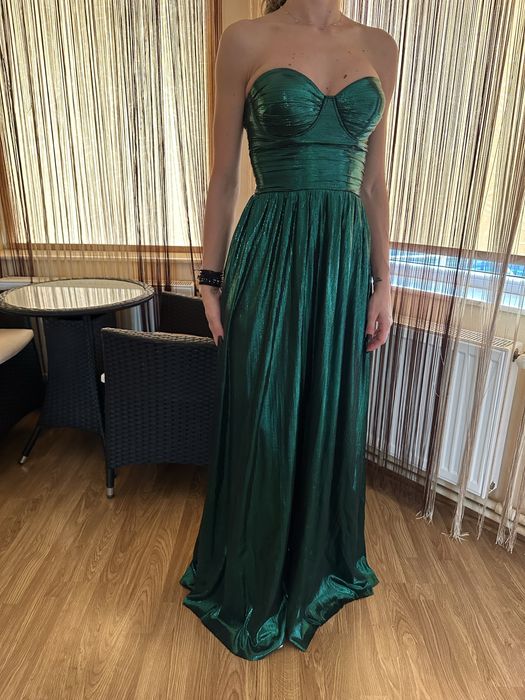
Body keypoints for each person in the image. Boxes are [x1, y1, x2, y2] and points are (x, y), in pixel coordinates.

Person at [179, 0, 397, 660]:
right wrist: (209, 279)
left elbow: (374, 184)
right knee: (264, 417)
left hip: (343, 265)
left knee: (328, 413)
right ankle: (254, 578)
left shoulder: (381, 46)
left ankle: (315, 569)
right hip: (270, 256)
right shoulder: (244, 39)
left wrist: (384, 280)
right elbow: (223, 178)